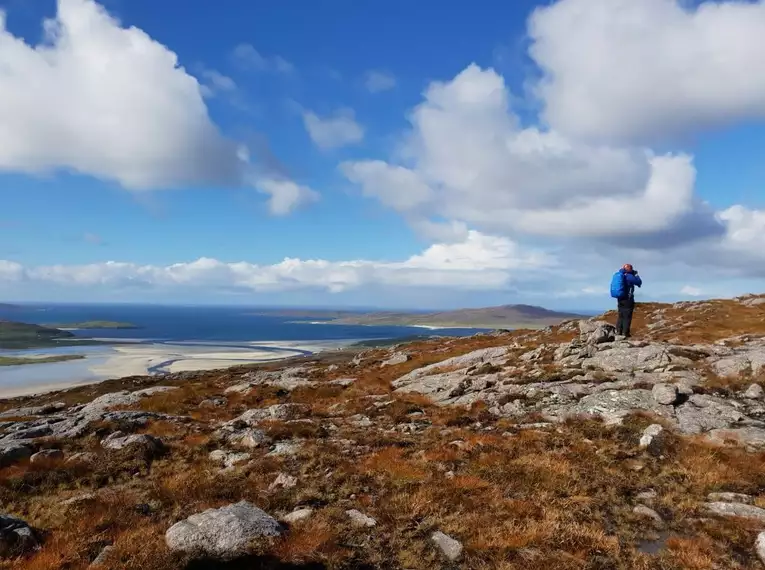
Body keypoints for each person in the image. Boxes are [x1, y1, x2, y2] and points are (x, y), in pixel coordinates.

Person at [614, 264, 642, 338]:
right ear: (629, 269)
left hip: (620, 298)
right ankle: (625, 333)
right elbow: (638, 282)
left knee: (621, 315)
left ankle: (618, 331)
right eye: (631, 269)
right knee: (627, 316)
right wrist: (636, 275)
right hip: (627, 299)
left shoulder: (620, 275)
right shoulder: (629, 276)